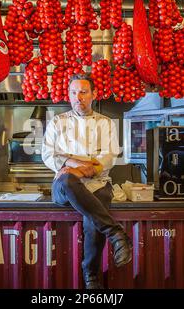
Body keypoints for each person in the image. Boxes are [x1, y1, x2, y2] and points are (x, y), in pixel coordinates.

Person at [41, 74, 132, 289]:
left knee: (92, 215)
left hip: (99, 183)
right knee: (67, 181)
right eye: (73, 92)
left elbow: (110, 156)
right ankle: (116, 233)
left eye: (83, 92)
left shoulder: (106, 123)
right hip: (66, 186)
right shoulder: (58, 122)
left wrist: (75, 167)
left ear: (93, 95)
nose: (77, 97)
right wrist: (79, 167)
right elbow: (47, 155)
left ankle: (91, 276)